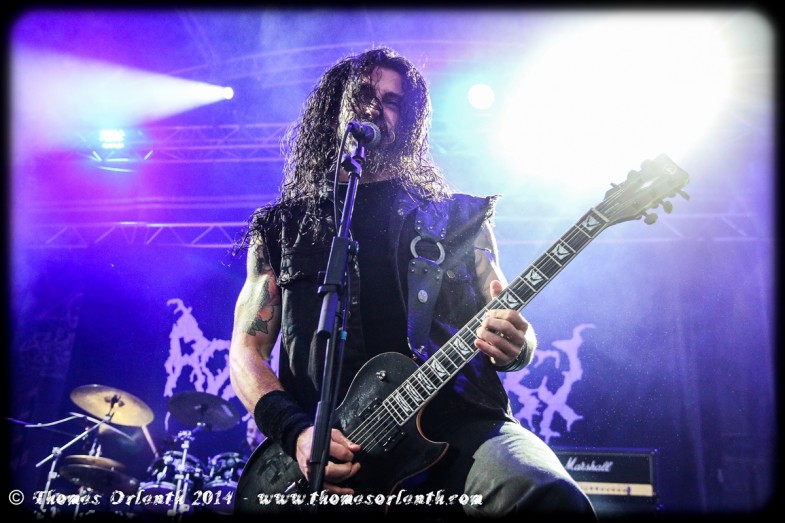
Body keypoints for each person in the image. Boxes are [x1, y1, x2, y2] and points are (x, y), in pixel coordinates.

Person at [229, 46, 597, 520]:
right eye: (362, 94)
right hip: (330, 452)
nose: (374, 107)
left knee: (547, 496)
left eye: (391, 101)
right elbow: (247, 352)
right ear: (335, 105)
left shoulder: (459, 218)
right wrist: (296, 432)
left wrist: (517, 344)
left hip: (458, 424)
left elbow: (508, 321)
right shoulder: (283, 229)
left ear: (408, 120)